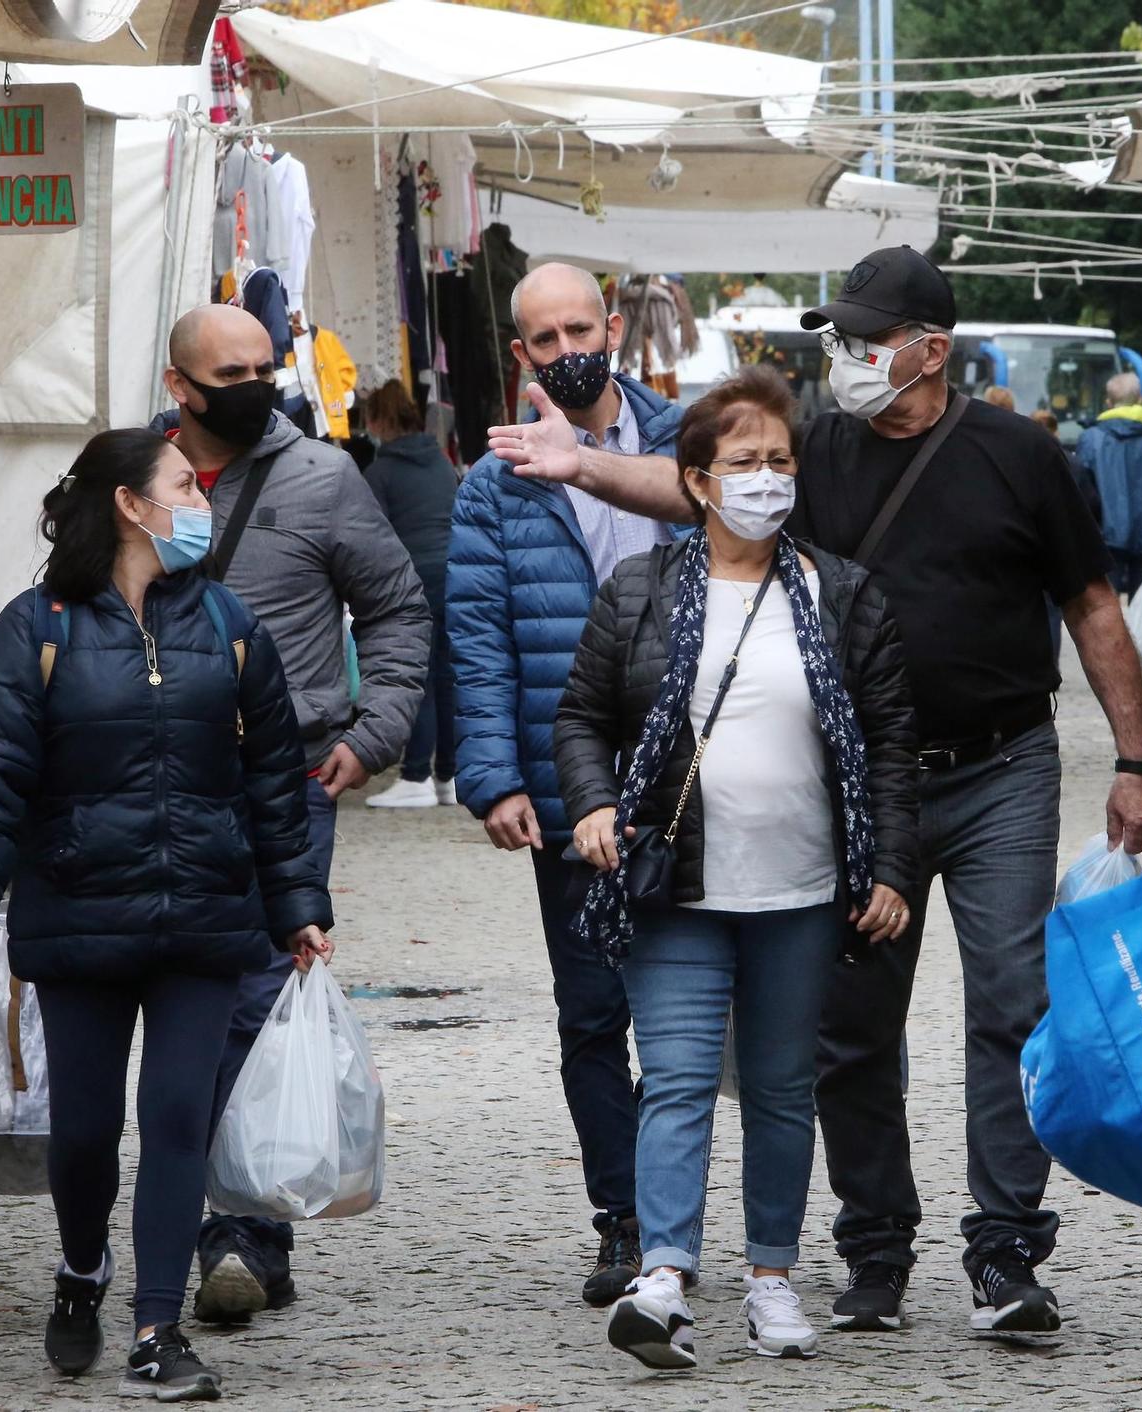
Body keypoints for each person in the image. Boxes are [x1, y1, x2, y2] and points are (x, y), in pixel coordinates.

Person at [486, 244, 1142, 1336]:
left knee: (1009, 1000)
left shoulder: (1018, 456)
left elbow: (1090, 605)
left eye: (863, 337)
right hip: (861, 779)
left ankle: (1003, 1249)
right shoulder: (819, 451)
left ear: (929, 351)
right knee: (851, 1024)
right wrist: (580, 466)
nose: (841, 355)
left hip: (1001, 763)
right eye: (837, 337)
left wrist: (1136, 759)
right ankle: (874, 1247)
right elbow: (694, 484)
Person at [0, 430, 336, 1402]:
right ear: (128, 502)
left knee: (178, 1116)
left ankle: (157, 1326)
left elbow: (275, 783)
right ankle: (81, 1268)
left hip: (206, 915)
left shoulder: (232, 623)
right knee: (82, 1131)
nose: (199, 499)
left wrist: (297, 907)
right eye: (183, 485)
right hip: (79, 913)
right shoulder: (36, 628)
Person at [554, 366, 920, 1369]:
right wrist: (591, 804)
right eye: (744, 462)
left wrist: (887, 864)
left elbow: (888, 740)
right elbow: (583, 714)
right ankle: (664, 1272)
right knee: (672, 1077)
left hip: (801, 887)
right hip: (674, 886)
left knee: (778, 1088)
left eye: (778, 461)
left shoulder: (838, 592)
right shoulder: (641, 587)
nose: (765, 479)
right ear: (698, 481)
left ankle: (770, 1279)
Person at [160, 304, 430, 1324]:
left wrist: (374, 735)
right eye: (229, 369)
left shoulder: (323, 476)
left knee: (258, 997)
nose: (255, 382)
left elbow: (399, 609)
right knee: (172, 996)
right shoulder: (130, 477)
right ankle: (162, 1221)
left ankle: (242, 1230)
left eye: (264, 366)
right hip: (151, 783)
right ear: (180, 384)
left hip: (286, 776)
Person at [448, 262, 683, 1306]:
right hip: (563, 781)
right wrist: (494, 776)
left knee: (688, 1005)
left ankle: (678, 1214)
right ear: (520, 354)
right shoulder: (494, 480)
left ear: (614, 326)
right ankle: (623, 1218)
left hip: (690, 776)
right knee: (592, 1008)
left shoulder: (688, 440)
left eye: (577, 329)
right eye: (542, 339)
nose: (563, 351)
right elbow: (477, 639)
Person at [360, 380, 462, 809]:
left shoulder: (379, 472)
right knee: (448, 677)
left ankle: (416, 773)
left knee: (416, 675)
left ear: (379, 420)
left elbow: (370, 536)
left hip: (413, 580)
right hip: (456, 574)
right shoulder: (440, 462)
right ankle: (449, 777)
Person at [1074, 371, 1142, 597]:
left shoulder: (1090, 438)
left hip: (1103, 538)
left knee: (1104, 608)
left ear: (1108, 403)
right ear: (1140, 400)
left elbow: (1081, 494)